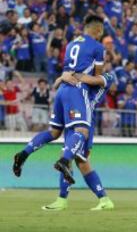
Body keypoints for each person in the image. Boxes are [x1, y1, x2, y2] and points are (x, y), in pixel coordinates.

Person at [13, 15, 105, 185]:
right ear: (98, 30)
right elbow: (97, 76)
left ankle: (23, 154)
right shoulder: (98, 47)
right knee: (82, 131)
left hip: (62, 90)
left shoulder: (70, 45)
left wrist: (61, 78)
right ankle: (64, 161)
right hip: (78, 90)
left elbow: (66, 70)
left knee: (54, 132)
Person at [41, 72, 115, 211]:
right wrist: (63, 77)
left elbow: (98, 80)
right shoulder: (86, 82)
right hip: (76, 121)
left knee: (71, 159)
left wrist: (73, 75)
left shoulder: (102, 78)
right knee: (82, 163)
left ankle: (62, 200)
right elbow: (57, 84)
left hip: (85, 123)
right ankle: (104, 199)